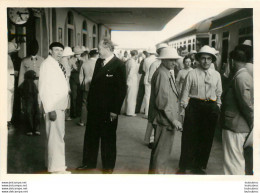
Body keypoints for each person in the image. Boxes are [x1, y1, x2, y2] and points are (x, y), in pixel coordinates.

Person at [77, 38, 126, 174]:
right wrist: (89, 103)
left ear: (108, 49)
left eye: (100, 48)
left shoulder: (119, 65)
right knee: (91, 136)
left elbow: (121, 90)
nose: (98, 51)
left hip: (108, 110)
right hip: (94, 108)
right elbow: (93, 85)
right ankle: (88, 162)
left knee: (108, 138)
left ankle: (108, 166)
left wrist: (115, 111)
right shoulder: (99, 62)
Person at [178, 45, 222, 174]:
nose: (206, 61)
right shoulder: (192, 74)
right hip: (194, 107)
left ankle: (199, 166)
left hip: (210, 108)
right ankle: (184, 165)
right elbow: (185, 94)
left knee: (206, 138)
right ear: (198, 59)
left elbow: (219, 93)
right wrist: (183, 110)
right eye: (203, 58)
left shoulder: (216, 75)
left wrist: (217, 106)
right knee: (189, 137)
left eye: (209, 59)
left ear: (212, 60)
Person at [148, 47, 182, 174]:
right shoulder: (162, 74)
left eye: (175, 60)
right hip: (164, 120)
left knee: (161, 152)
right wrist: (173, 120)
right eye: (171, 60)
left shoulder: (165, 72)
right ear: (163, 60)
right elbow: (162, 102)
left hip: (164, 119)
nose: (174, 62)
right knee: (161, 154)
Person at [39, 42, 70, 174]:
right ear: (50, 51)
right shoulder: (47, 65)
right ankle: (57, 169)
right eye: (56, 50)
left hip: (58, 106)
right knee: (56, 138)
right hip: (53, 107)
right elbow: (44, 89)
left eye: (61, 50)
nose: (59, 52)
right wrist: (50, 109)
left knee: (55, 137)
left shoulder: (55, 64)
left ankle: (52, 164)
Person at [221, 49, 253, 175]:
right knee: (235, 161)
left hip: (235, 127)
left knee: (233, 163)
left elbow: (246, 104)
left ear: (232, 61)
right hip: (238, 125)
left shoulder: (240, 77)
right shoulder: (244, 76)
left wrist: (253, 123)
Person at [144, 43, 168, 148]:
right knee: (154, 117)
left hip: (164, 94)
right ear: (158, 52)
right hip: (156, 94)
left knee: (162, 118)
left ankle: (158, 140)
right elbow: (150, 79)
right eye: (162, 50)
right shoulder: (155, 64)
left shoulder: (168, 64)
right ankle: (152, 140)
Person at [78, 49, 99, 126]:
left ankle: (82, 121)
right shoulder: (99, 63)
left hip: (86, 85)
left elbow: (80, 76)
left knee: (84, 103)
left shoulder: (84, 63)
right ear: (97, 55)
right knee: (95, 103)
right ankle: (93, 121)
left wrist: (82, 84)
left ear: (89, 55)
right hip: (96, 86)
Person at [19, 70, 40, 136]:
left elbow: (20, 91)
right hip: (31, 100)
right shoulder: (30, 83)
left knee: (30, 114)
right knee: (33, 113)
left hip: (30, 100)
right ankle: (34, 129)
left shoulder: (26, 83)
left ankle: (31, 130)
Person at [8, 42, 20, 129]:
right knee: (8, 103)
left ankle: (8, 120)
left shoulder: (9, 58)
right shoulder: (7, 58)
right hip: (8, 86)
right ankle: (7, 121)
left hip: (9, 85)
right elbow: (8, 72)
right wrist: (14, 73)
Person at [60, 46, 75, 121]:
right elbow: (67, 74)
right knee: (67, 98)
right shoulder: (65, 61)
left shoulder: (62, 60)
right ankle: (66, 115)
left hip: (63, 81)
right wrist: (68, 87)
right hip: (66, 81)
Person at [143, 47, 157, 118]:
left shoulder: (146, 60)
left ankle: (147, 113)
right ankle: (153, 113)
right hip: (155, 79)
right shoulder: (157, 60)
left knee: (147, 96)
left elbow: (144, 69)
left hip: (147, 79)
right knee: (154, 95)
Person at [70, 46, 83, 118]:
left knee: (79, 97)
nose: (78, 55)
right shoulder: (71, 60)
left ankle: (79, 112)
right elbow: (68, 70)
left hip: (80, 80)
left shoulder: (83, 60)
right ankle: (73, 113)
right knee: (74, 97)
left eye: (79, 54)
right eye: (77, 54)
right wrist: (72, 68)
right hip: (73, 80)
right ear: (74, 54)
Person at [125, 50, 139, 116]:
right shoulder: (133, 63)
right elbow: (131, 73)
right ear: (135, 54)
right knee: (132, 97)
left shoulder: (128, 61)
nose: (137, 56)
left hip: (129, 80)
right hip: (132, 81)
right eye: (137, 55)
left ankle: (127, 110)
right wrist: (128, 82)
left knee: (128, 96)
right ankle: (130, 112)